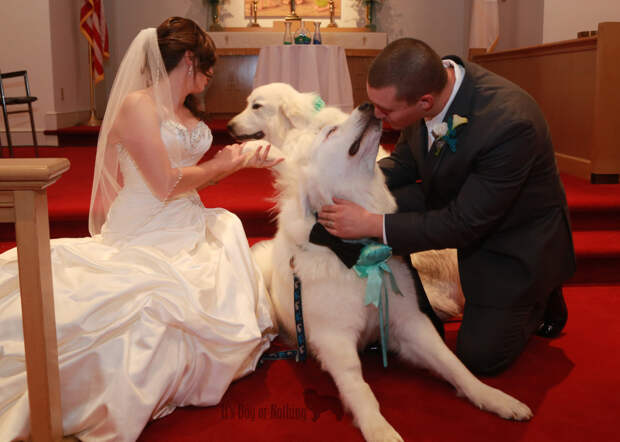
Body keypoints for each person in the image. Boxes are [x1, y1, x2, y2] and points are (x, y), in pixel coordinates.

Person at [0, 17, 281, 440]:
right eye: (206, 67)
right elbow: (165, 183)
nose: (209, 76)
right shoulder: (138, 105)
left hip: (187, 217)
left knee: (224, 233)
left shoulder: (184, 110)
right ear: (188, 59)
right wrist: (224, 163)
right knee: (147, 306)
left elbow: (191, 176)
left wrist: (240, 160)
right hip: (146, 226)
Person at [318, 38, 575, 375]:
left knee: (480, 357)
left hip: (513, 237)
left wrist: (370, 224)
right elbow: (405, 165)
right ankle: (411, 307)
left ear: (425, 102)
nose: (376, 117)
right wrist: (347, 187)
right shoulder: (423, 87)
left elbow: (465, 223)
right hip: (461, 198)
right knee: (388, 203)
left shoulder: (511, 124)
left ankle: (540, 295)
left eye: (386, 111)